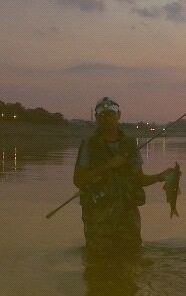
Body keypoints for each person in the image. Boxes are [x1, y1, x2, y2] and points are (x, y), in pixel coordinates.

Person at [74, 97, 174, 255]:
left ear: (118, 115)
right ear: (97, 118)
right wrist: (108, 165)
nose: (107, 119)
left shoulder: (129, 144)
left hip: (128, 215)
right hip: (98, 217)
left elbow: (139, 179)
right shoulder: (88, 144)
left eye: (111, 114)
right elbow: (78, 180)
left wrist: (160, 176)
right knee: (97, 259)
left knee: (133, 258)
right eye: (102, 115)